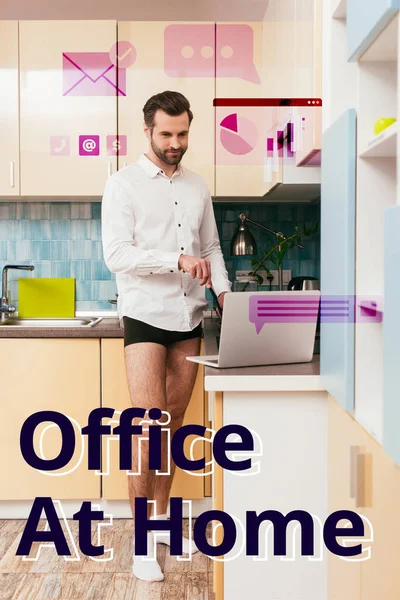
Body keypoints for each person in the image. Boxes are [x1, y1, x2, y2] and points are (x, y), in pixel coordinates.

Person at [101, 90, 232, 582]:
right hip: (144, 315)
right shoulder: (123, 184)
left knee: (172, 428)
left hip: (190, 315)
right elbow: (117, 254)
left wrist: (223, 291)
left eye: (182, 134)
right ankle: (140, 543)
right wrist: (174, 259)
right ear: (147, 131)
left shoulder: (198, 186)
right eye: (166, 134)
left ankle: (158, 522)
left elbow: (213, 246)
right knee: (146, 428)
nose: (175, 143)